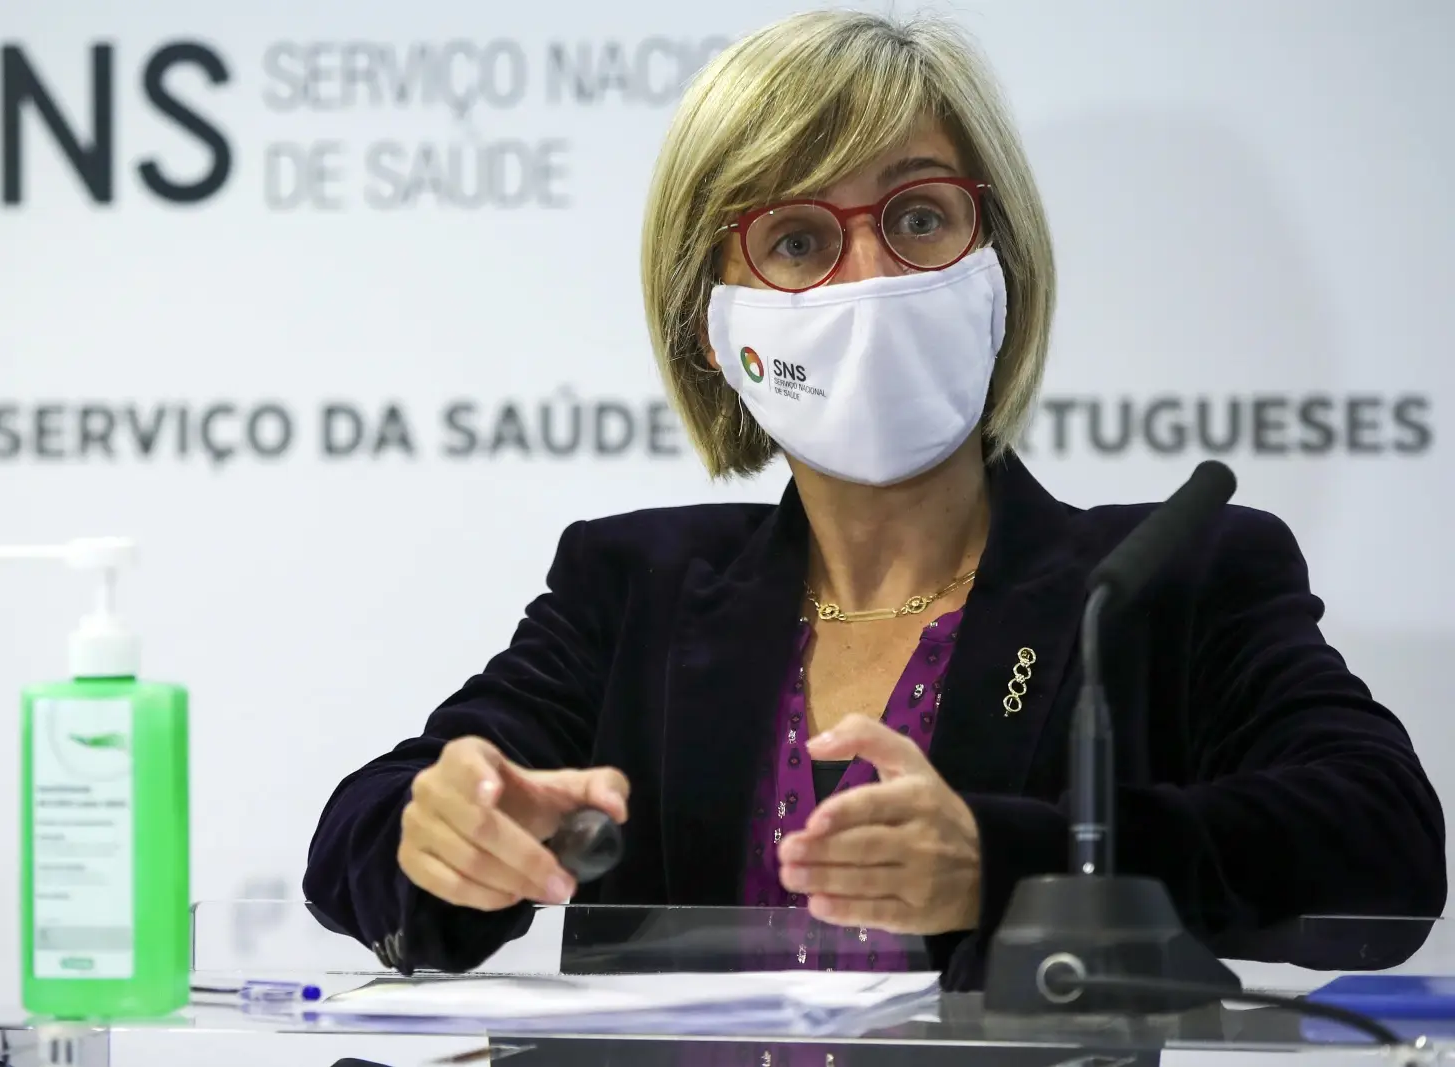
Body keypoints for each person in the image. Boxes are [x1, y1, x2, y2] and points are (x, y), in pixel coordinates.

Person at [303, 10, 1445, 992]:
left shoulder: (1160, 582)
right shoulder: (633, 587)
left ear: (999, 261)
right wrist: (441, 835)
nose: (871, 282)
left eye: (917, 219)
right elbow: (356, 842)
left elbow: (1384, 848)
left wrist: (1013, 863)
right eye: (798, 239)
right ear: (712, 327)